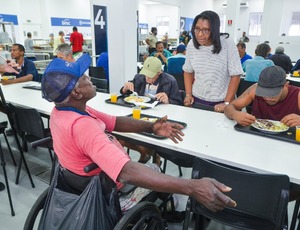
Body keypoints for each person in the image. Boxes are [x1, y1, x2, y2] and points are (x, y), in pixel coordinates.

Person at [41, 53, 236, 213]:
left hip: (79, 184)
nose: (89, 77)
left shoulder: (62, 112)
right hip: (110, 193)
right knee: (155, 169)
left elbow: (115, 121)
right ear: (76, 93)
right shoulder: (83, 126)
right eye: (84, 77)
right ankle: (168, 209)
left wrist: (150, 127)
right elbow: (125, 172)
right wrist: (191, 187)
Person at [120, 56, 182, 163]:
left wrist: (168, 100)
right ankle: (146, 152)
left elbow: (179, 104)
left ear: (160, 73)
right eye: (146, 74)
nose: (147, 78)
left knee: (137, 135)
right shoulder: (139, 77)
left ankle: (149, 152)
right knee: (120, 136)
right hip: (139, 114)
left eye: (151, 76)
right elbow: (126, 93)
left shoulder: (170, 81)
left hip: (159, 118)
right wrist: (125, 88)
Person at [183, 10, 243, 113]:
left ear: (214, 30)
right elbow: (188, 71)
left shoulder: (227, 43)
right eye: (197, 29)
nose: (200, 34)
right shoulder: (192, 44)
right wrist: (188, 94)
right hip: (197, 99)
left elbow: (236, 75)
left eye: (206, 30)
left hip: (221, 102)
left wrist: (227, 103)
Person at [224, 65, 300, 127]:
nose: (268, 98)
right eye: (263, 93)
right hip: (258, 136)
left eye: (273, 94)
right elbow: (229, 107)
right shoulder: (254, 89)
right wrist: (235, 114)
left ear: (285, 85)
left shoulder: (297, 95)